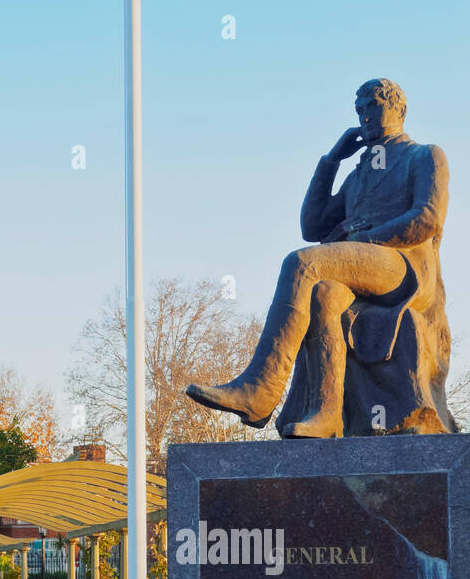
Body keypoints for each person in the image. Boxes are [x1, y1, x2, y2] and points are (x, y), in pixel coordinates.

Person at [186, 77, 452, 437]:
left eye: (373, 105)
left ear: (400, 109)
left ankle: (261, 388)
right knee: (325, 293)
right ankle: (326, 413)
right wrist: (331, 161)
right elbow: (312, 226)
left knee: (301, 263)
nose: (365, 116)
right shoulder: (359, 175)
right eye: (359, 110)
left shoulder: (425, 155)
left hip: (403, 271)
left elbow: (427, 218)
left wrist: (366, 239)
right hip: (361, 272)